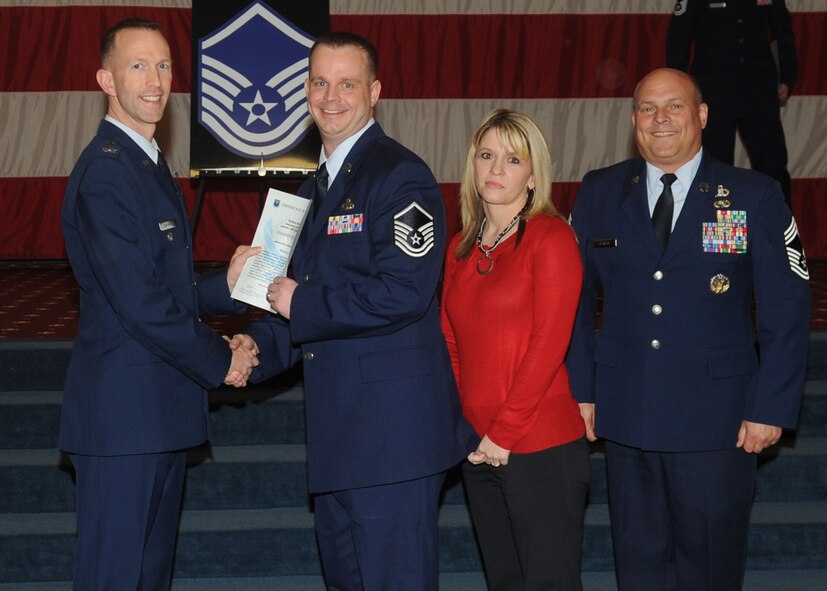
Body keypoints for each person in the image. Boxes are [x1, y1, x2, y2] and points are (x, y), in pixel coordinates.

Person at [232, 32, 474, 590]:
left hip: (392, 440)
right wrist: (254, 347)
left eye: (347, 84)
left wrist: (301, 301)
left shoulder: (400, 175)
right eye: (320, 82)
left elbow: (403, 292)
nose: (331, 97)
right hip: (338, 436)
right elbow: (290, 304)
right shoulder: (308, 188)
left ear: (375, 92)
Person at [566, 67, 810, 591]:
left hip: (718, 420)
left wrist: (770, 406)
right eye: (648, 108)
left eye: (674, 106)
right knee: (639, 564)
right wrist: (581, 390)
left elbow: (786, 310)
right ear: (633, 119)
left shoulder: (753, 195)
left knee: (709, 565)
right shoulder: (600, 192)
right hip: (626, 411)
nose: (660, 119)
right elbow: (573, 302)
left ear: (701, 115)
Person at [60, 18, 260, 590]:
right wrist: (220, 359)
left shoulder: (145, 164)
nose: (155, 81)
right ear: (106, 80)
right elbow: (141, 304)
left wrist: (227, 283)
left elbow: (161, 287)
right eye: (138, 66)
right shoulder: (107, 172)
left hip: (154, 414)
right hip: (124, 421)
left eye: (164, 65)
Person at [440, 109, 591, 590]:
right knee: (505, 582)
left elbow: (550, 344)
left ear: (533, 175)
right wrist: (467, 428)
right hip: (479, 445)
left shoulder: (552, 237)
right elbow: (452, 345)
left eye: (512, 159)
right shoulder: (460, 247)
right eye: (486, 155)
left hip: (540, 444)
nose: (495, 169)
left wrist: (502, 433)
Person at [667, 0, 797, 205]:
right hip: (713, 93)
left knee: (772, 166)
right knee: (715, 169)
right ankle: (715, 224)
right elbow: (679, 38)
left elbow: (782, 31)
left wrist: (787, 78)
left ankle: (779, 224)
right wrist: (678, 88)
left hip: (759, 92)